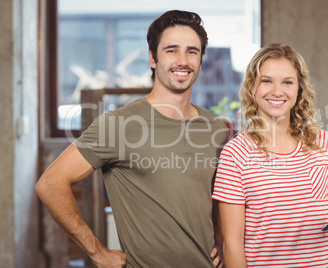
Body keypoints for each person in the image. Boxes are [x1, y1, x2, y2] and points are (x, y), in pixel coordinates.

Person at [36, 10, 228, 268]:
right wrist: (97, 252)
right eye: (171, 50)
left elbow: (217, 198)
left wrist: (222, 242)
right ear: (152, 58)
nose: (183, 60)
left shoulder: (215, 127)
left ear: (201, 61)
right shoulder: (119, 124)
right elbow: (50, 184)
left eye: (192, 51)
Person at [211, 43, 328, 268]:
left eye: (287, 82)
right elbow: (232, 243)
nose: (277, 91)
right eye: (267, 80)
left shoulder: (323, 144)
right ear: (252, 86)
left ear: (299, 88)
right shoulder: (236, 154)